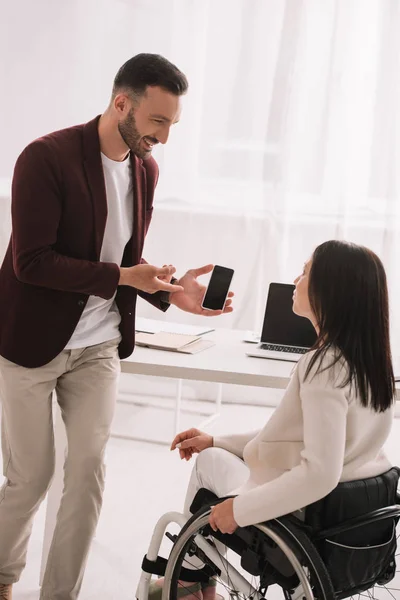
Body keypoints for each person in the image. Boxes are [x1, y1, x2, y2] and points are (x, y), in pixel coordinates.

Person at [0, 53, 233, 600]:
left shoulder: (144, 170)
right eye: (157, 121)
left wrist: (175, 294)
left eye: (172, 124)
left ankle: (61, 595)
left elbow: (123, 260)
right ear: (121, 103)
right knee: (31, 479)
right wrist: (128, 273)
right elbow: (31, 261)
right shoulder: (45, 158)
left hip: (98, 345)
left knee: (86, 477)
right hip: (31, 343)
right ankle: (3, 576)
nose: (165, 137)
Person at [149, 240, 395, 600]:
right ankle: (196, 579)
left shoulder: (322, 366)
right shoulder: (371, 364)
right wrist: (217, 439)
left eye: (307, 271)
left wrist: (240, 508)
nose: (296, 279)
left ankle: (188, 579)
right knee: (214, 452)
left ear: (330, 291)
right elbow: (291, 439)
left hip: (307, 513)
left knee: (208, 465)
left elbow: (319, 473)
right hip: (356, 514)